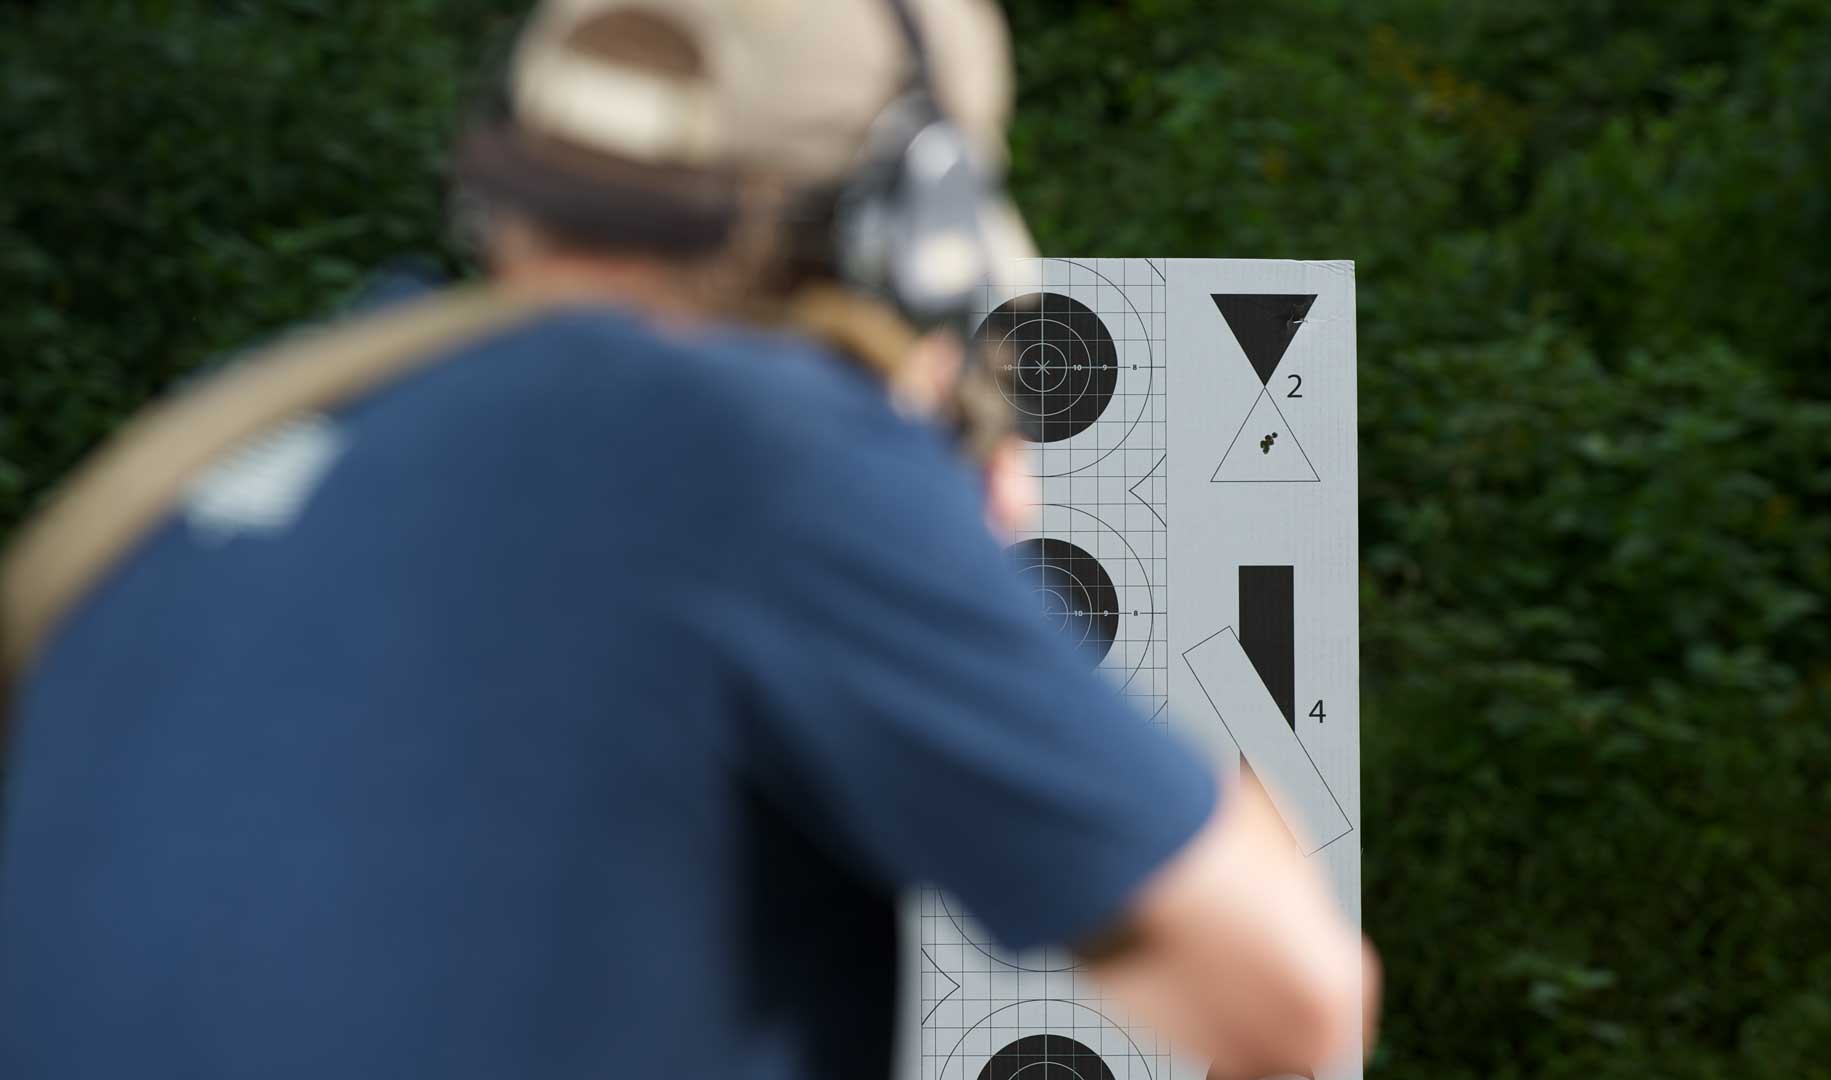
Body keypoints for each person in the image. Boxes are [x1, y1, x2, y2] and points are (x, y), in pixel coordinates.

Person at [0, 1, 1374, 1077]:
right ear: (923, 219)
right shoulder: (753, 444)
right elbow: (1285, 997)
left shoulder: (211, 454)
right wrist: (967, 544)